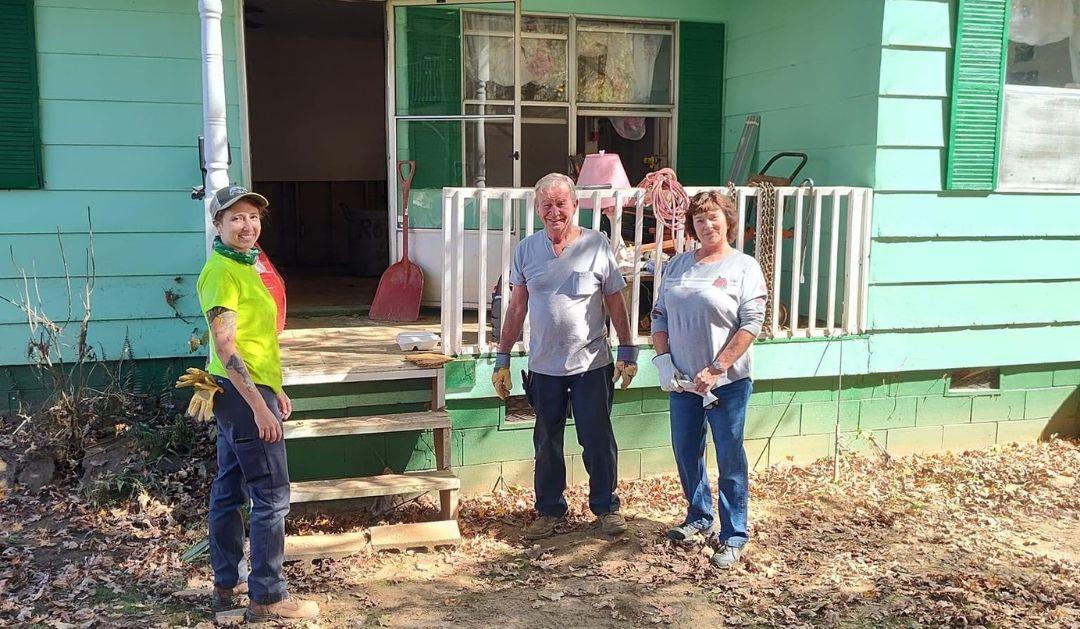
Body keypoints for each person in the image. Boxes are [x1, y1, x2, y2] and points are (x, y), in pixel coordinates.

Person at [493, 173, 639, 540]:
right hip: (544, 365)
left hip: (591, 363)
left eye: (561, 204)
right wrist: (502, 357)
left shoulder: (596, 243)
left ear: (574, 206)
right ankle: (549, 510)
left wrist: (627, 347)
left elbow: (614, 298)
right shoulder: (526, 249)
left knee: (598, 438)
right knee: (546, 441)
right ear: (538, 209)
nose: (554, 211)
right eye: (547, 205)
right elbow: (516, 307)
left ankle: (606, 507)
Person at [197, 186, 319, 621]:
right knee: (271, 496)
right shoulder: (221, 272)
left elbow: (257, 339)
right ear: (218, 224)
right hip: (240, 395)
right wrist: (259, 405)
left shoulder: (246, 265)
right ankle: (267, 598)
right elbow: (227, 347)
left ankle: (227, 584)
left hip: (247, 390)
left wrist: (275, 388)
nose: (247, 226)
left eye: (253, 217)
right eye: (235, 218)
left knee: (229, 488)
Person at [650, 190, 767, 569]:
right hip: (683, 383)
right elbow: (659, 317)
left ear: (728, 221)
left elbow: (751, 324)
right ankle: (699, 518)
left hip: (726, 384)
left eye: (713, 217)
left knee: (729, 456)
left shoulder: (744, 267)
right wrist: (663, 360)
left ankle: (734, 534)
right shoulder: (678, 265)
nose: (707, 225)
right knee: (686, 452)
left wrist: (717, 368)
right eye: (699, 220)